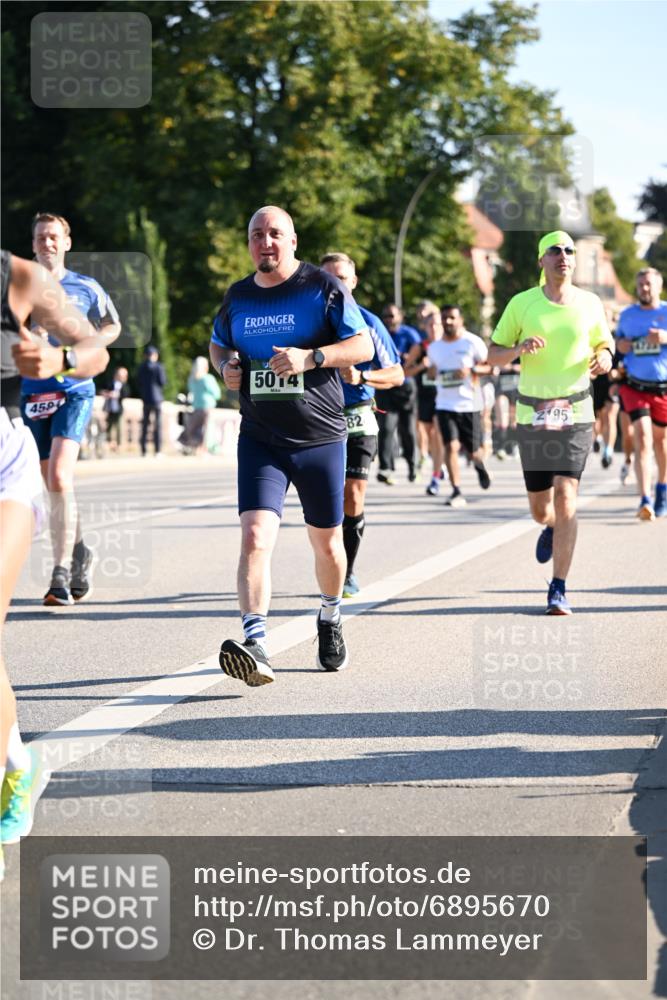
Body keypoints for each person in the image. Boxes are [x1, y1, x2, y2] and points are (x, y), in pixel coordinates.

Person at [209, 206, 372, 685]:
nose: (266, 242)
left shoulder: (321, 287)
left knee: (327, 544)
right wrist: (225, 368)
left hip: (320, 438)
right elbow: (219, 343)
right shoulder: (237, 295)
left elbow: (361, 347)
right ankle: (256, 642)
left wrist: (312, 356)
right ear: (248, 243)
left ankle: (330, 615)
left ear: (293, 241)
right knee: (255, 536)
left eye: (274, 234)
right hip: (261, 438)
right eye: (256, 234)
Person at [1, 250, 109, 880]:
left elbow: (94, 346)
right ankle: (20, 766)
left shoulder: (19, 279)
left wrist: (61, 360)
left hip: (5, 470)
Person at [488, 230, 613, 615]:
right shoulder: (522, 304)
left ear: (574, 260)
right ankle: (548, 526)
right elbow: (493, 355)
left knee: (567, 494)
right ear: (541, 261)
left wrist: (605, 358)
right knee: (542, 508)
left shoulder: (591, 304)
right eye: (555, 250)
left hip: (576, 411)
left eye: (569, 250)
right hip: (534, 414)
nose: (563, 255)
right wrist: (517, 349)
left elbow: (603, 344)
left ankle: (558, 587)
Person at [22, 213, 120, 605]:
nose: (47, 243)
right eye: (40, 237)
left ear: (66, 243)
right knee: (50, 483)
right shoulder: (18, 289)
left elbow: (112, 326)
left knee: (60, 476)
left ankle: (59, 573)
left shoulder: (86, 287)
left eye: (53, 237)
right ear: (32, 245)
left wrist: (89, 342)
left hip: (75, 389)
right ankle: (80, 551)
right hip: (31, 393)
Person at [320, 253, 404, 597]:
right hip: (320, 418)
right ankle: (331, 560)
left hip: (358, 413)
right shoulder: (310, 323)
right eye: (328, 278)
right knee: (327, 500)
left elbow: (397, 373)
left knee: (353, 494)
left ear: (354, 282)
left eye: (342, 277)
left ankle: (348, 571)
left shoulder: (368, 323)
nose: (336, 284)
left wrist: (362, 375)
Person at [426, 305, 492, 507]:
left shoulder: (472, 342)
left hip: (469, 405)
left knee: (473, 451)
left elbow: (489, 366)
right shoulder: (434, 347)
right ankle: (456, 490)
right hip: (445, 404)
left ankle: (479, 464)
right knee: (450, 446)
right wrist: (431, 372)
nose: (448, 322)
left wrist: (471, 370)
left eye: (452, 318)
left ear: (460, 320)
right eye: (444, 318)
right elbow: (430, 375)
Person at [615, 267, 667, 519]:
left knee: (662, 443)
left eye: (648, 284)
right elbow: (618, 345)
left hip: (663, 388)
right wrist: (620, 345)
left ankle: (662, 489)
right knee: (643, 437)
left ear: (659, 286)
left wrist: (665, 337)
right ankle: (644, 498)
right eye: (640, 285)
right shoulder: (627, 316)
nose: (644, 289)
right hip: (635, 385)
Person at [375, 304, 421, 484]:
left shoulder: (408, 333)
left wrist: (408, 361)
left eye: (392, 316)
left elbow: (418, 347)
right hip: (385, 385)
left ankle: (413, 466)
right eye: (386, 316)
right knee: (386, 428)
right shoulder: (379, 332)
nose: (388, 320)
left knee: (407, 430)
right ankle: (386, 468)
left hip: (405, 387)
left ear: (400, 316)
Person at [404, 308, 448, 496]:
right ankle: (440, 464)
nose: (434, 328)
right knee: (429, 435)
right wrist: (423, 365)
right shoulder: (420, 347)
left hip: (445, 397)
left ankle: (435, 476)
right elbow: (405, 372)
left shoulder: (450, 344)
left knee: (438, 433)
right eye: (430, 325)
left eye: (437, 324)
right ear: (425, 327)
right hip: (425, 396)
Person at [179, 356, 221, 455]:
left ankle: (192, 447)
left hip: (196, 407)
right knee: (207, 430)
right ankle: (204, 449)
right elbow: (217, 394)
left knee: (194, 429)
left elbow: (191, 392)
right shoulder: (208, 378)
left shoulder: (192, 379)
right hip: (208, 407)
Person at [137, 345, 166, 457]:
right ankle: (158, 450)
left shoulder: (142, 367)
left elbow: (139, 382)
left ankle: (143, 450)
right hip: (157, 399)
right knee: (157, 426)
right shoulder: (159, 367)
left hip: (146, 398)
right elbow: (162, 382)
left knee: (145, 425)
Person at [102, 366, 129, 452]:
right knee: (109, 427)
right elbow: (102, 390)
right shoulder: (111, 383)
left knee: (119, 427)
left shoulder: (124, 386)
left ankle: (119, 445)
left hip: (118, 409)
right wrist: (108, 394)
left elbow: (126, 394)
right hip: (110, 408)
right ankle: (110, 443)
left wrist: (117, 395)